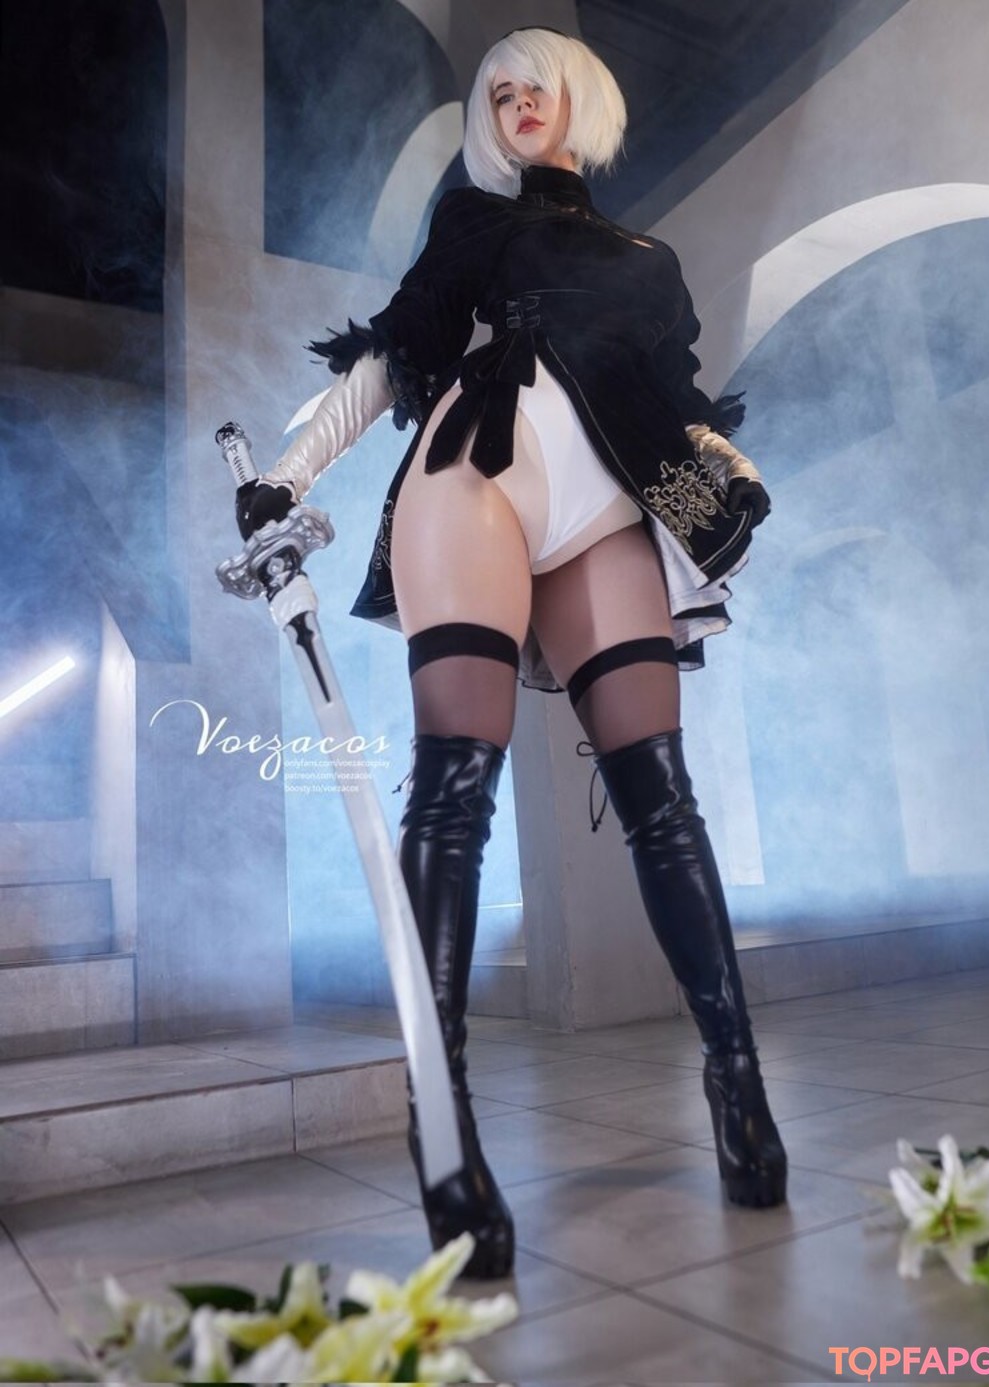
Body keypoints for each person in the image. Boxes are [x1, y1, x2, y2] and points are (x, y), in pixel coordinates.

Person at [236, 27, 787, 1281]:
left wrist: (734, 473)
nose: (514, 98)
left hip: (611, 492)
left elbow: (685, 407)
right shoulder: (470, 224)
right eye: (497, 89)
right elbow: (388, 354)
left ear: (579, 97)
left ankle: (737, 1079)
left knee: (661, 794)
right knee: (455, 787)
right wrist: (289, 471)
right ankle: (443, 1123)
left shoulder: (648, 263)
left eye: (535, 82)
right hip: (472, 470)